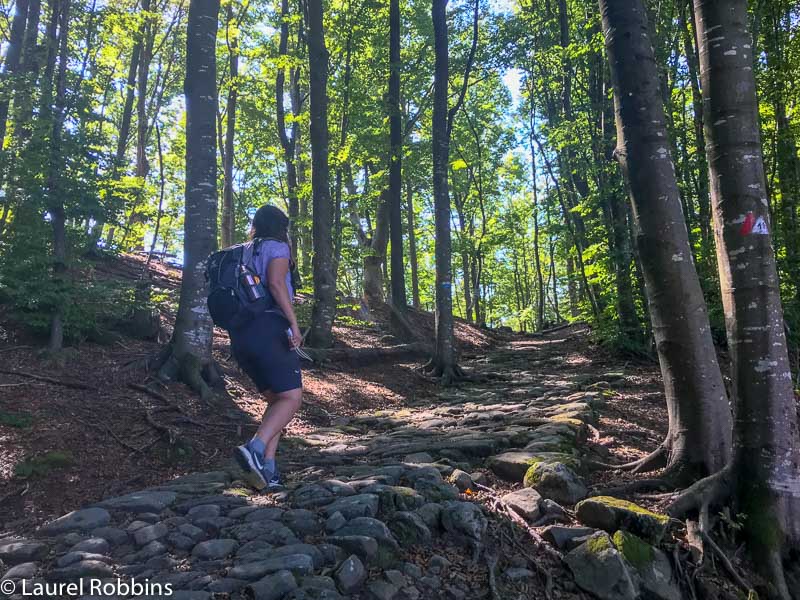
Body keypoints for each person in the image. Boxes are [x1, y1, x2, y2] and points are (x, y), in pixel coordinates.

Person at [232, 204, 303, 490]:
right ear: (280, 226)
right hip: (269, 329)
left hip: (242, 335)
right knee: (292, 398)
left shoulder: (244, 250)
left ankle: (267, 471)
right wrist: (294, 324)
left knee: (277, 401)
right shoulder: (277, 248)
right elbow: (276, 285)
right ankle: (255, 448)